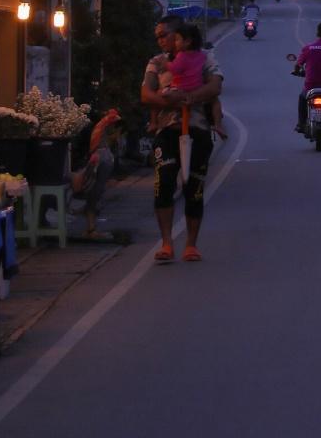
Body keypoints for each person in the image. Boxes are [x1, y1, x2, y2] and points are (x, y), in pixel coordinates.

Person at [141, 17, 223, 264]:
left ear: (180, 35)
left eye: (164, 35)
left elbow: (216, 86)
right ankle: (166, 242)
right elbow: (145, 94)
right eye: (157, 36)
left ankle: (191, 245)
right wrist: (168, 102)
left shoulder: (203, 58)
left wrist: (190, 98)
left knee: (194, 189)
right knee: (163, 184)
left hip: (197, 130)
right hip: (166, 131)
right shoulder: (157, 63)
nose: (161, 40)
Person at [69, 108, 122, 240]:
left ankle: (91, 228)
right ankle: (91, 229)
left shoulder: (100, 144)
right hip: (91, 185)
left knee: (93, 199)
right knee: (93, 200)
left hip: (93, 179)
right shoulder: (101, 152)